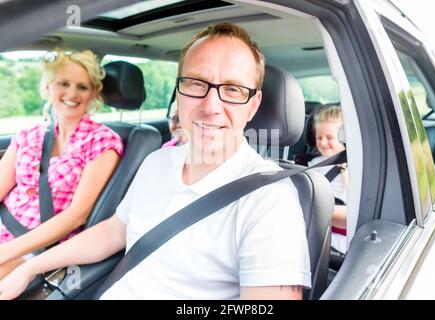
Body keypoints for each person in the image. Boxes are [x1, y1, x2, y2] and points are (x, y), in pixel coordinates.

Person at [0, 23, 310, 300]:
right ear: (179, 90)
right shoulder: (157, 162)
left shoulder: (270, 198)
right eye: (196, 83)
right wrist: (29, 268)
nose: (210, 106)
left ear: (253, 105)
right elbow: (113, 232)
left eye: (232, 89)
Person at [0, 50, 123, 280]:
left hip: (40, 246)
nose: (72, 93)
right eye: (63, 83)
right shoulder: (28, 135)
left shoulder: (102, 141)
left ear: (94, 93)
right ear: (48, 88)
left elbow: (77, 215)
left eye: (82, 87)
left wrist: (5, 251)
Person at [308, 105, 347, 255]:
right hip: (315, 236)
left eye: (329, 138)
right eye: (319, 137)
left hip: (339, 247)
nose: (323, 143)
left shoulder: (354, 169)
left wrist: (315, 209)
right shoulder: (313, 164)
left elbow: (351, 216)